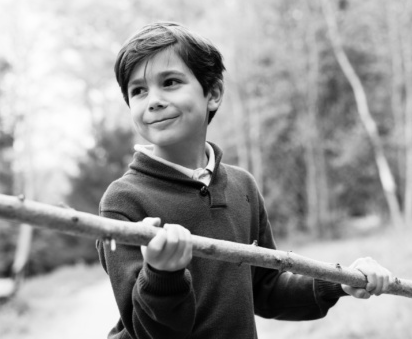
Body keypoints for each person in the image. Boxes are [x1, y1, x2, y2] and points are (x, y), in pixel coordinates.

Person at [96, 22, 392, 339]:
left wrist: (339, 281)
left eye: (170, 82)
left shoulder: (242, 187)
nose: (152, 100)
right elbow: (147, 331)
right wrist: (162, 275)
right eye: (138, 90)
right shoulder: (122, 203)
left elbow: (265, 289)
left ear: (213, 94)